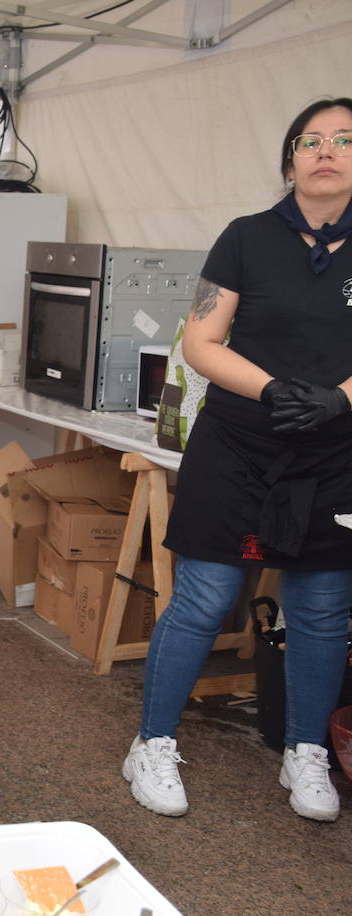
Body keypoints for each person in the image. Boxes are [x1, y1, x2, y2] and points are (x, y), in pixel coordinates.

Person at [123, 98, 352, 823]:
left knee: (321, 611)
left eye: (345, 141)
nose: (327, 152)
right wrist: (274, 388)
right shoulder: (246, 239)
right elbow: (201, 339)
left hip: (337, 452)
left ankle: (305, 752)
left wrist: (341, 400)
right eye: (311, 141)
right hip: (239, 446)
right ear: (289, 160)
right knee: (203, 597)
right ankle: (151, 742)